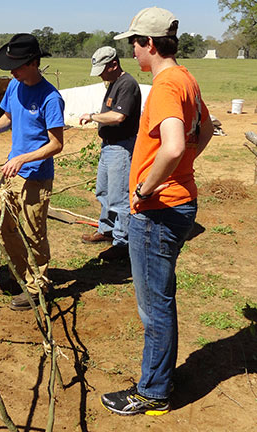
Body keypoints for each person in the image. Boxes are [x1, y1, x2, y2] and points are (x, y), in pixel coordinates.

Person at [100, 7, 214, 415]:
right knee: (161, 298)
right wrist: (183, 172)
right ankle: (161, 377)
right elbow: (205, 130)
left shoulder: (166, 85)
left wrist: (146, 189)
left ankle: (153, 392)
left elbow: (173, 145)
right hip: (181, 202)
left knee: (154, 306)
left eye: (134, 42)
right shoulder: (186, 78)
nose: (132, 50)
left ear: (149, 43)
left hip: (159, 210)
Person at [0, 34, 65, 311]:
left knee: (34, 231)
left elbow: (57, 144)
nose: (12, 71)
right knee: (2, 225)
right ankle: (20, 273)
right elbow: (9, 116)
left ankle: (38, 285)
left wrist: (24, 158)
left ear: (34, 63)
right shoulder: (15, 85)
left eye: (19, 65)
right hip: (12, 172)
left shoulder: (50, 97)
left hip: (35, 175)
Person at [79, 46, 141, 261]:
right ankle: (106, 230)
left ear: (114, 64)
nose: (102, 75)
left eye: (103, 70)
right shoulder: (114, 83)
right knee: (104, 191)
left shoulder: (127, 84)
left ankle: (122, 243)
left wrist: (92, 116)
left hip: (121, 147)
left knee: (120, 196)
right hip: (109, 146)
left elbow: (118, 117)